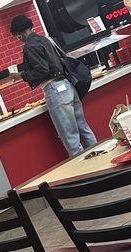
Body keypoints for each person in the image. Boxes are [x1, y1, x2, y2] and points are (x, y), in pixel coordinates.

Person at [9, 13, 97, 156]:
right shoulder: (46, 39)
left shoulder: (30, 46)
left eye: (16, 35)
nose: (18, 39)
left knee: (70, 137)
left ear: (19, 33)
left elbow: (42, 70)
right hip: (68, 86)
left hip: (54, 89)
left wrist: (21, 75)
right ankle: (100, 156)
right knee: (83, 128)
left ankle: (84, 166)